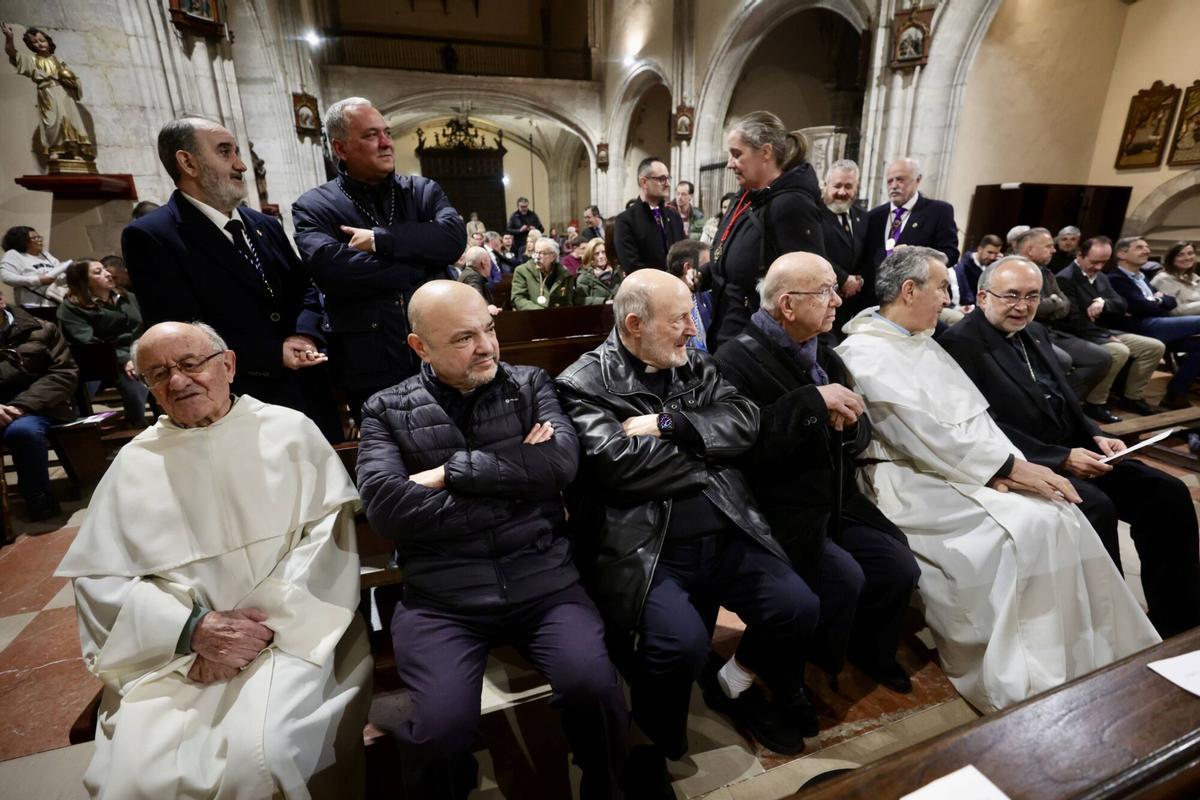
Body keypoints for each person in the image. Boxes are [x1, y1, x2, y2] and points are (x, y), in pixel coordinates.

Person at [835, 246, 1160, 712]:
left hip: (967, 466)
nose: (949, 298)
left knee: (1060, 514)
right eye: (943, 287)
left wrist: (1009, 466)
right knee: (1025, 529)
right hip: (907, 478)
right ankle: (1029, 668)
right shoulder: (864, 351)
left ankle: (1086, 651)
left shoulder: (919, 341)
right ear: (909, 291)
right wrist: (1005, 470)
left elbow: (977, 420)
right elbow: (919, 435)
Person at [56, 321, 371, 800]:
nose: (178, 382)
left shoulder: (288, 431)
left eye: (189, 364)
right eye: (158, 374)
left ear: (227, 365)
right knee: (140, 775)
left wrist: (255, 633)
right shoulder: (134, 463)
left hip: (293, 639)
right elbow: (101, 584)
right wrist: (192, 631)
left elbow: (326, 547)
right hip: (173, 659)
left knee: (266, 753)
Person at [355, 282, 627, 799]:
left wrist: (447, 473)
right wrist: (517, 483)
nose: (486, 347)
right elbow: (388, 509)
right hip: (443, 597)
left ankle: (605, 787)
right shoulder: (385, 410)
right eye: (463, 338)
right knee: (439, 728)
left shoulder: (530, 385)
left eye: (490, 328)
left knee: (594, 686)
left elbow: (561, 465)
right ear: (421, 348)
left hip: (544, 581)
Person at [557, 269, 823, 779]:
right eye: (680, 319)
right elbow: (619, 465)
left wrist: (672, 426)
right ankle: (653, 740)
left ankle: (736, 681)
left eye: (692, 316)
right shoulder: (583, 383)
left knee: (798, 605)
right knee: (680, 644)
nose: (693, 331)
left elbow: (746, 421)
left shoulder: (693, 364)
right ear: (635, 323)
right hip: (646, 547)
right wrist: (710, 454)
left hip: (726, 530)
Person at [940, 256, 1200, 640]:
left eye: (1032, 296)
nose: (1022, 306)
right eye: (1011, 295)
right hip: (1028, 461)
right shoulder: (960, 344)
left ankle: (1178, 619)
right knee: (1097, 506)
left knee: (1167, 493)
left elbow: (1064, 397)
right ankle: (1111, 627)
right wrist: (1061, 457)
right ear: (982, 296)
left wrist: (1094, 433)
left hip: (1076, 448)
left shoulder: (1034, 330)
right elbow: (984, 425)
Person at [715, 252, 920, 692]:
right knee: (842, 579)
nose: (837, 301)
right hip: (777, 506)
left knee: (898, 566)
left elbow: (858, 425)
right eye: (825, 291)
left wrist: (846, 426)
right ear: (787, 305)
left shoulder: (825, 354)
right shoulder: (733, 359)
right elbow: (744, 445)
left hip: (834, 498)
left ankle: (860, 650)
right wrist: (812, 405)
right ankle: (785, 677)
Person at [123, 116, 338, 438]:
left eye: (237, 152)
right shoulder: (152, 236)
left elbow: (305, 287)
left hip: (308, 389)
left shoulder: (263, 224)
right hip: (239, 398)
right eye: (226, 152)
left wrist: (304, 334)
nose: (241, 165)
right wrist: (270, 354)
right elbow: (180, 330)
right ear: (188, 162)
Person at [292, 97, 464, 419]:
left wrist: (378, 240)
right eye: (371, 135)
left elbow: (452, 240)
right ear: (341, 148)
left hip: (437, 350)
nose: (386, 143)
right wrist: (421, 264)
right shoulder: (314, 206)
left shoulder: (422, 191)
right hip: (369, 365)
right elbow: (333, 270)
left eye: (386, 133)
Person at [709, 112, 826, 349]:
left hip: (760, 344)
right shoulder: (745, 197)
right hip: (728, 332)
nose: (730, 163)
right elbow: (730, 253)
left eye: (737, 154)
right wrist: (703, 271)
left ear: (765, 152)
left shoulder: (792, 204)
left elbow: (811, 285)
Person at [1049, 236, 1167, 421]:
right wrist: (1105, 336)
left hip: (1100, 331)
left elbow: (1122, 304)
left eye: (1103, 262)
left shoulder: (1101, 277)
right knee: (1118, 351)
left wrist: (1103, 302)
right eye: (1094, 262)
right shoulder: (1065, 278)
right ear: (1080, 255)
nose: (1098, 267)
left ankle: (1132, 397)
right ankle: (1095, 404)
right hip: (1076, 333)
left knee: (1153, 347)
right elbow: (1073, 320)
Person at [0, 292, 77, 520]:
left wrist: (21, 405)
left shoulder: (41, 329)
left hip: (39, 406)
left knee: (22, 432)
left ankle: (38, 497)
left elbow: (64, 374)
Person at [1016, 227, 1112, 406]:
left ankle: (1062, 404)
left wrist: (1051, 304)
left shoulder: (1047, 272)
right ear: (1030, 250)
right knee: (1063, 361)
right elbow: (1027, 306)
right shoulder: (1013, 270)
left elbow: (1065, 306)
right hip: (1024, 331)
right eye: (1048, 246)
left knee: (1102, 358)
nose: (1054, 250)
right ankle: (1044, 405)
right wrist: (1053, 303)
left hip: (1050, 330)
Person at [1107, 236, 1200, 409]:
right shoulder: (1116, 278)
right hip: (1140, 326)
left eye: (1147, 247)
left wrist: (1155, 301)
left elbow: (1169, 301)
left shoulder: (1141, 277)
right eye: (1140, 247)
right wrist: (1157, 301)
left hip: (1157, 323)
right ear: (1122, 254)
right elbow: (1142, 306)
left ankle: (1176, 393)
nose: (1147, 251)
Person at [56, 258, 149, 426]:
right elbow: (89, 342)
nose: (108, 274)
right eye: (98, 272)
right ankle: (137, 426)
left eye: (105, 269)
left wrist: (135, 355)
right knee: (133, 383)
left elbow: (142, 329)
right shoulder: (71, 308)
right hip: (100, 360)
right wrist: (124, 359)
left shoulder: (128, 297)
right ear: (84, 281)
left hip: (136, 352)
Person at [2, 23, 95, 165]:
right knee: (52, 122)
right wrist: (9, 37)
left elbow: (72, 78)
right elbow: (12, 52)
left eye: (41, 40)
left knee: (69, 121)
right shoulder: (32, 60)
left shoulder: (58, 60)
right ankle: (55, 150)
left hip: (63, 93)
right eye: (35, 43)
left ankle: (74, 151)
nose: (39, 44)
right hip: (47, 93)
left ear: (48, 41)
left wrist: (72, 83)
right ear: (31, 46)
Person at [859, 158, 959, 286]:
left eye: (900, 180)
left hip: (918, 291)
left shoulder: (939, 211)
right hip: (877, 294)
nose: (894, 186)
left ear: (918, 180)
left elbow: (951, 254)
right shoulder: (874, 215)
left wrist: (914, 255)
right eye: (890, 181)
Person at [819, 159, 869, 330]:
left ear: (856, 188)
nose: (842, 192)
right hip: (821, 302)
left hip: (852, 306)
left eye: (848, 186)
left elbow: (867, 253)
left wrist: (858, 280)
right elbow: (814, 252)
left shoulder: (863, 217)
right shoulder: (813, 214)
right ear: (826, 185)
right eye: (837, 185)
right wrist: (843, 279)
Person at [613, 156, 684, 273]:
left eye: (668, 178)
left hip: (677, 286)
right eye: (662, 179)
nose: (668, 184)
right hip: (647, 288)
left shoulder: (674, 216)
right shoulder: (625, 221)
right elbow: (632, 265)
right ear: (644, 182)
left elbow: (683, 253)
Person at [1, 225, 69, 306]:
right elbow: (6, 277)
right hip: (31, 306)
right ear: (21, 241)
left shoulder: (45, 254)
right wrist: (38, 280)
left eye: (39, 237)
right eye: (34, 238)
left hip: (52, 303)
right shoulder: (14, 254)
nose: (39, 240)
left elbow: (58, 273)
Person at [665, 239, 713, 351]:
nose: (710, 272)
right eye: (706, 266)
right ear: (688, 268)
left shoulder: (705, 296)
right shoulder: (665, 304)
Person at [510, 237, 575, 310]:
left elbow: (569, 303)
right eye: (536, 252)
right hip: (532, 316)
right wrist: (540, 312)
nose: (537, 257)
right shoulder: (522, 271)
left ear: (553, 256)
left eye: (542, 253)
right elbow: (518, 298)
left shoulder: (565, 275)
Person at [953, 234, 1003, 308]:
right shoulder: (964, 267)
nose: (992, 257)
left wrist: (1000, 266)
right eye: (990, 252)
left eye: (996, 254)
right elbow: (968, 297)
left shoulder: (993, 265)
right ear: (980, 249)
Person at [1150, 241, 1200, 315]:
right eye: (1180, 255)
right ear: (1171, 259)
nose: (1187, 258)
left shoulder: (1195, 277)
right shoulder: (1164, 279)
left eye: (1190, 253)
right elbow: (1173, 311)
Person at [574, 238, 623, 305]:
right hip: (598, 313)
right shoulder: (584, 278)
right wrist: (603, 301)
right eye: (597, 254)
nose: (601, 256)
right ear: (591, 256)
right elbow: (580, 300)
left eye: (603, 252)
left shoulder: (618, 272)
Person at [457, 245, 501, 315]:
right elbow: (476, 295)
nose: (490, 266)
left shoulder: (468, 272)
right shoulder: (472, 276)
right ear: (483, 263)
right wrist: (488, 307)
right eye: (490, 262)